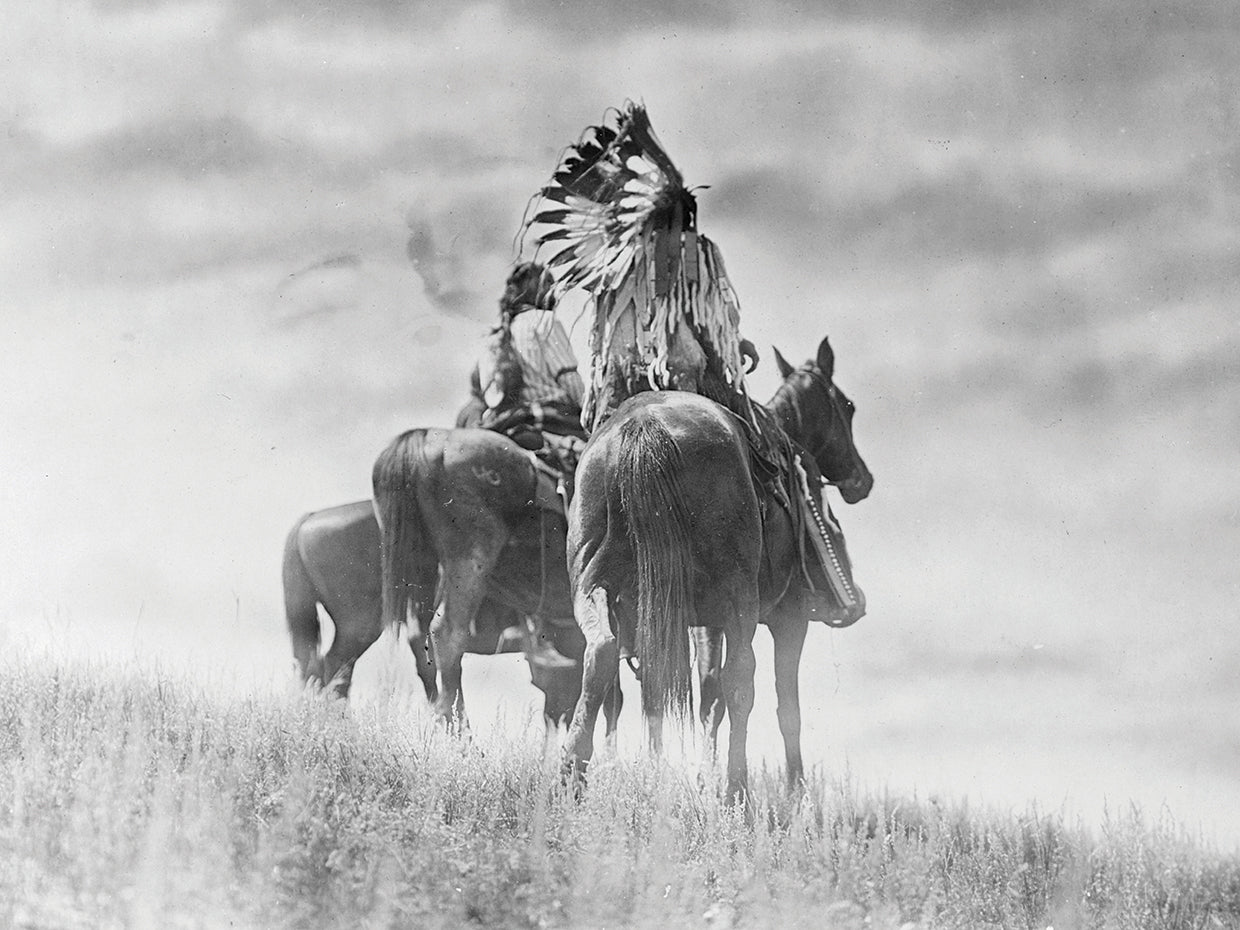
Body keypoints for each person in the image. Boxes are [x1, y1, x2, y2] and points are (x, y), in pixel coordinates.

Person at [474, 261, 585, 670]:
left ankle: (512, 619)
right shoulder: (545, 323)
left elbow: (491, 399)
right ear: (540, 292)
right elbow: (572, 384)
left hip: (504, 433)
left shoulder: (492, 340)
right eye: (550, 285)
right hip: (553, 425)